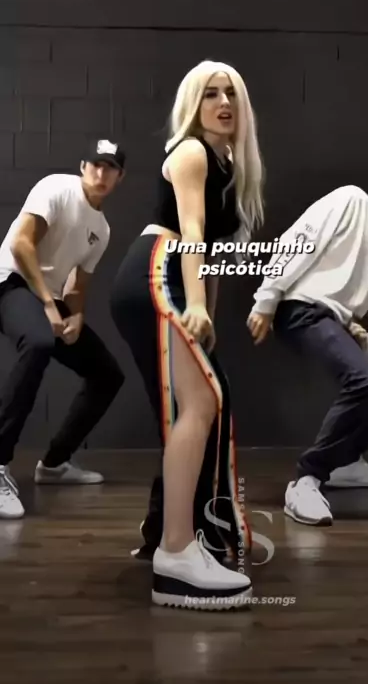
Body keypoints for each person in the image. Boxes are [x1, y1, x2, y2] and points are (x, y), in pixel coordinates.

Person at [110, 60, 264, 610]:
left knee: (197, 404)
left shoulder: (227, 163)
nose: (223, 103)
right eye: (210, 94)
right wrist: (195, 304)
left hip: (175, 275)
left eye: (231, 94)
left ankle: (172, 530)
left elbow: (213, 253)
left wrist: (208, 313)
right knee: (200, 402)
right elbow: (192, 232)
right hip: (158, 270)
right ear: (193, 106)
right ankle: (176, 554)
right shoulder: (193, 152)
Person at [247, 157, 368, 525]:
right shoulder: (351, 201)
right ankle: (305, 480)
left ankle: (346, 461)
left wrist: (366, 343)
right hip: (299, 307)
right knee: (365, 381)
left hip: (334, 323)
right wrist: (267, 299)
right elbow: (298, 242)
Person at [0, 139, 126, 520]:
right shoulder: (56, 188)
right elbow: (22, 245)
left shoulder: (101, 229)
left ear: (119, 177)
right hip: (11, 283)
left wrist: (76, 316)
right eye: (95, 165)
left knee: (107, 374)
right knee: (39, 342)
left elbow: (77, 285)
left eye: (110, 168)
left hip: (48, 297)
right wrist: (47, 304)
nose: (101, 174)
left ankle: (54, 463)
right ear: (83, 166)